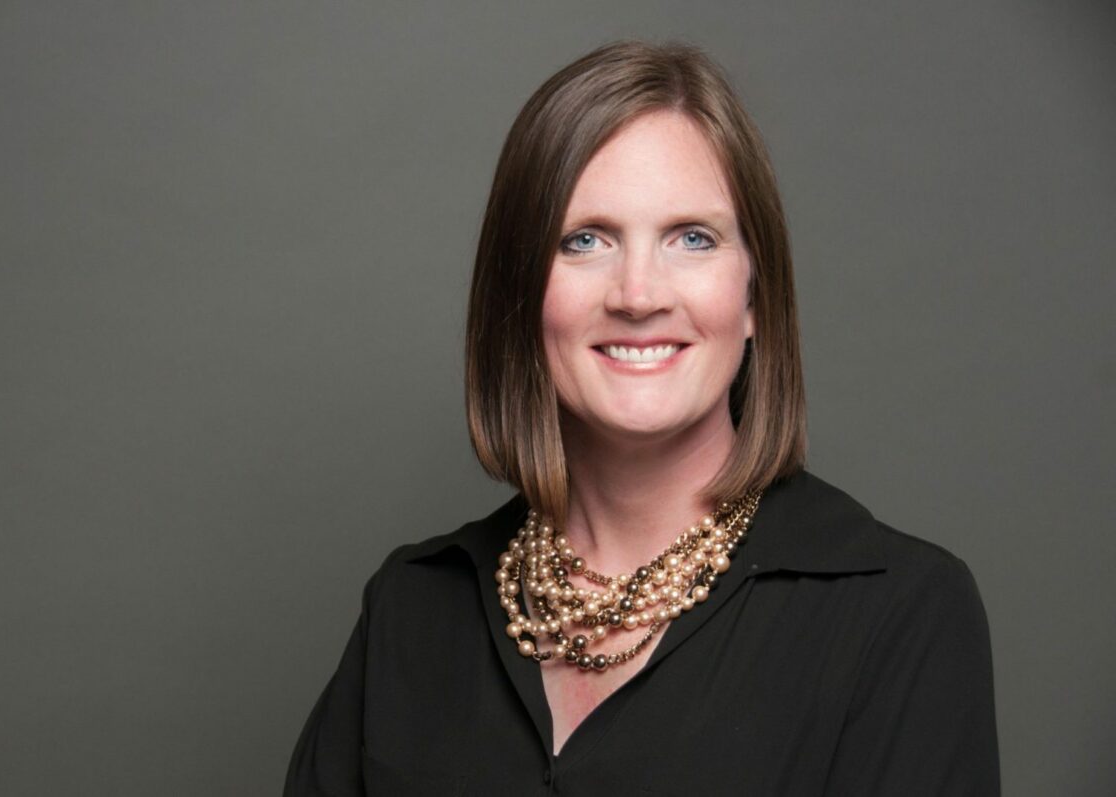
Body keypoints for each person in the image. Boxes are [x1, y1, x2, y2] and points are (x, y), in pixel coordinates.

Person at [285, 40, 999, 796]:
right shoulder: (413, 607)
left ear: (754, 294)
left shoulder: (899, 614)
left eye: (693, 238)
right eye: (584, 239)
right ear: (521, 291)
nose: (637, 293)